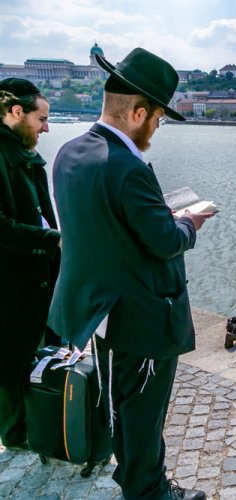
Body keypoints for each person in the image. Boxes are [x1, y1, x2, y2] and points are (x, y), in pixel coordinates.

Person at [48, 48, 212, 500]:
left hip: (99, 312)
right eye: (157, 119)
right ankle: (149, 492)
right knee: (143, 412)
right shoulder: (127, 166)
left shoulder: (69, 152)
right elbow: (163, 240)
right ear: (138, 112)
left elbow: (104, 227)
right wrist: (187, 222)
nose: (157, 130)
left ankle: (134, 478)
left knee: (121, 405)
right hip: (141, 317)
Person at [0, 78, 61, 450]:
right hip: (9, 285)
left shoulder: (22, 152)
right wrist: (56, 241)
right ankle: (16, 437)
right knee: (9, 365)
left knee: (35, 357)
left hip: (36, 277)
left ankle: (38, 428)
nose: (47, 127)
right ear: (16, 111)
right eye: (41, 118)